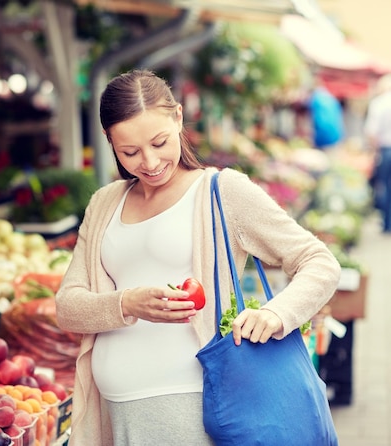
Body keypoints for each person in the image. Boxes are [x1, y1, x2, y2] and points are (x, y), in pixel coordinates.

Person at [54, 69, 341, 445]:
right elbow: (67, 307)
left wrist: (276, 314)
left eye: (159, 142)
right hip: (114, 410)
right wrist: (128, 303)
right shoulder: (105, 203)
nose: (150, 161)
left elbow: (319, 262)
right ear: (110, 141)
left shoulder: (222, 192)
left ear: (178, 117)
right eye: (130, 152)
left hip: (195, 410)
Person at [364, 74, 391, 232]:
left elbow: (371, 131)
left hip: (386, 150)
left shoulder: (378, 103)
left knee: (384, 186)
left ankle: (388, 223)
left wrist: (374, 151)